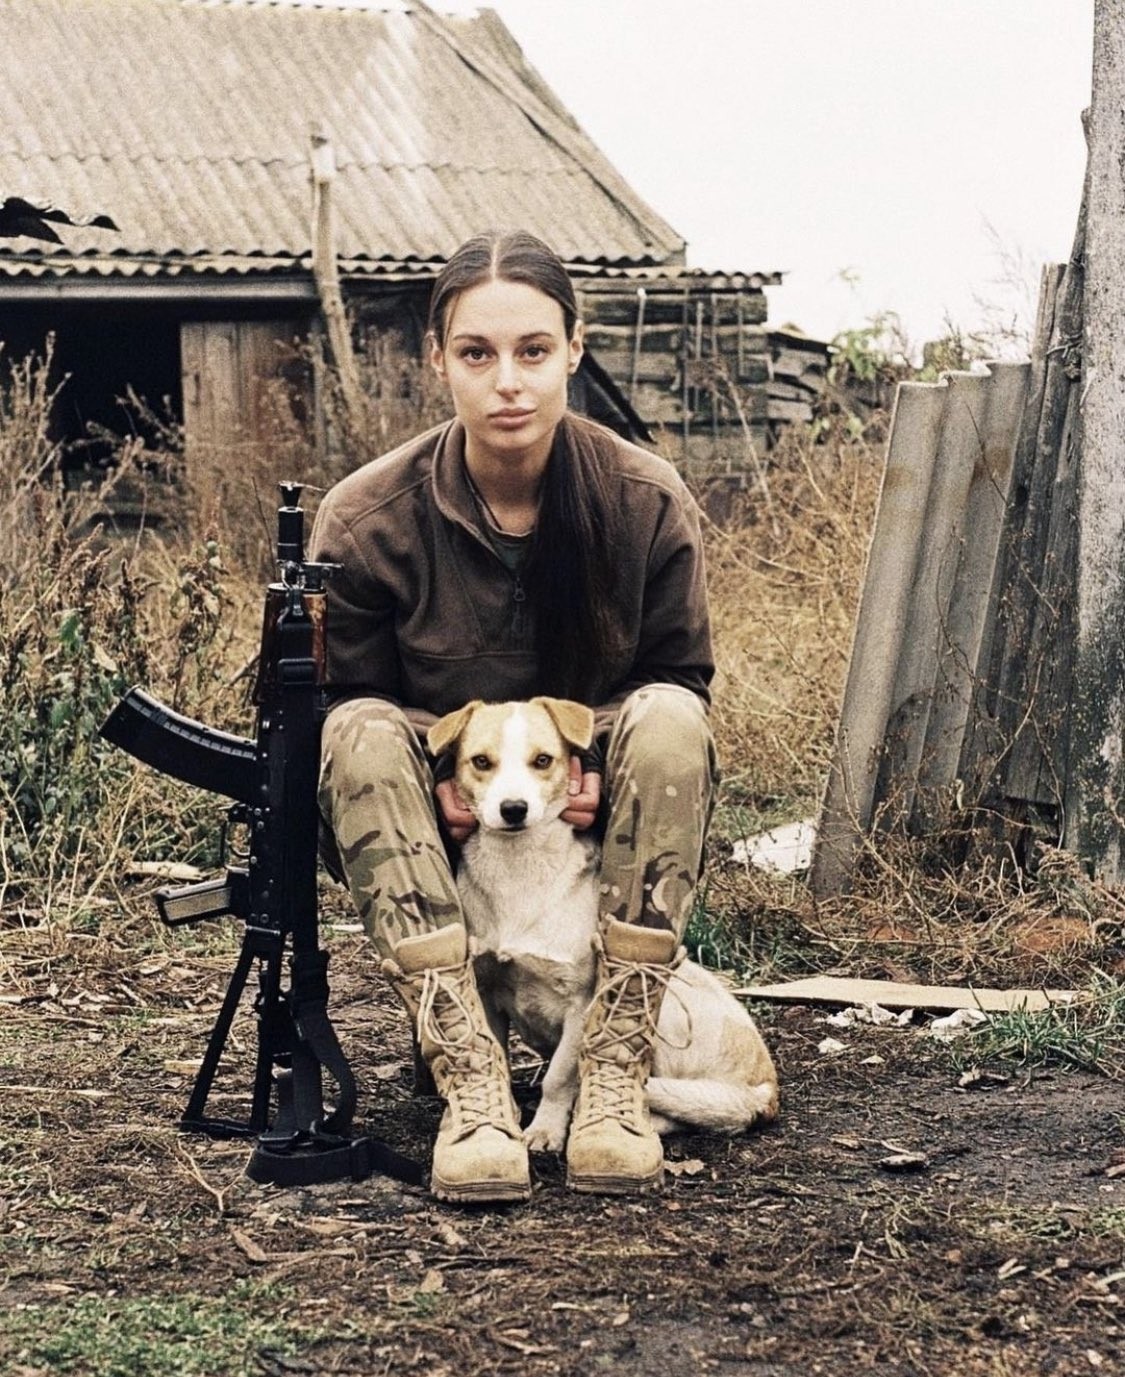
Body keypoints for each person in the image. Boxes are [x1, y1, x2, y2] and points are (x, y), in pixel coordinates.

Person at [310, 229, 718, 1205]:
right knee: (355, 730)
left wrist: (587, 772)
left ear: (574, 349)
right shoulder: (367, 519)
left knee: (669, 718)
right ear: (436, 360)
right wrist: (444, 781)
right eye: (477, 353)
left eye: (533, 351)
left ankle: (612, 1071)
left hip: (587, 817)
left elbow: (680, 681)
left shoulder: (643, 500)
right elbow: (332, 712)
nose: (508, 383)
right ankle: (473, 1085)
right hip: (439, 822)